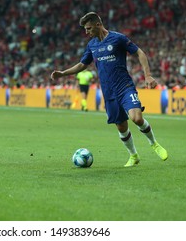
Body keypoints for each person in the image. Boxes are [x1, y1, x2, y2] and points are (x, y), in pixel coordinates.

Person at [51, 12, 168, 167]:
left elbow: (140, 53)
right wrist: (63, 73)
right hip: (108, 92)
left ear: (98, 24)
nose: (87, 32)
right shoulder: (92, 45)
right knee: (121, 126)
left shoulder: (118, 38)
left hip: (124, 86)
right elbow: (82, 65)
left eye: (89, 28)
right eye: (85, 29)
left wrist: (148, 75)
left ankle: (154, 144)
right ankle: (134, 156)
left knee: (137, 118)